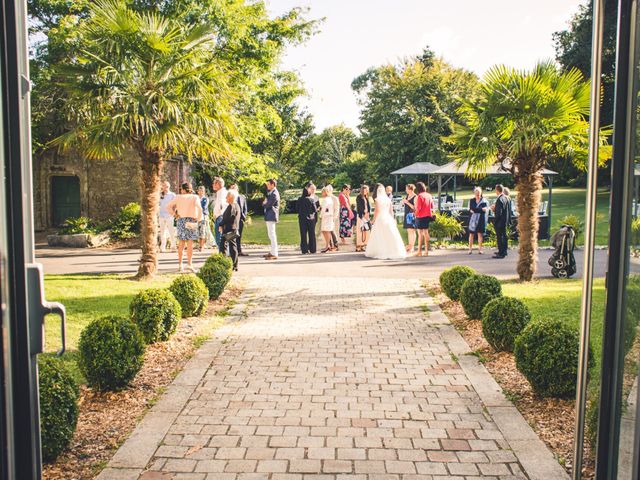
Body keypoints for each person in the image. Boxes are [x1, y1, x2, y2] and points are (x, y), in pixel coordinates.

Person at [165, 182, 203, 273]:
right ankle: (189, 264)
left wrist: (174, 215)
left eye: (181, 189)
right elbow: (200, 208)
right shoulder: (195, 197)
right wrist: (198, 218)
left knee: (181, 243)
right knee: (190, 243)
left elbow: (168, 207)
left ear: (183, 189)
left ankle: (180, 264)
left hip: (181, 220)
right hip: (192, 220)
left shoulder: (178, 197)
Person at [365, 184, 407, 260]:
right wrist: (393, 219)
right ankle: (393, 250)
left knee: (379, 234)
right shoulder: (388, 199)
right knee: (390, 234)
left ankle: (380, 251)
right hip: (387, 218)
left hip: (380, 218)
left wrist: (373, 220)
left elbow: (377, 211)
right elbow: (391, 211)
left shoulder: (377, 199)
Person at [219, 189, 241, 271]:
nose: (226, 198)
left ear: (231, 197)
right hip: (233, 228)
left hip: (230, 229)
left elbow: (227, 218)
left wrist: (220, 224)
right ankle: (234, 265)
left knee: (224, 246)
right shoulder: (236, 205)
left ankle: (225, 264)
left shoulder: (232, 206)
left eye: (227, 196)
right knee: (232, 246)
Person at [297, 183, 318, 254]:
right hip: (311, 219)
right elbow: (315, 210)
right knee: (312, 234)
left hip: (302, 219)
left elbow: (296, 208)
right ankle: (312, 249)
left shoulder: (299, 199)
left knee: (303, 235)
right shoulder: (311, 200)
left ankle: (304, 249)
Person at [414, 182, 434, 257]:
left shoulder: (419, 196)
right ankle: (426, 251)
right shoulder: (429, 195)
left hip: (420, 216)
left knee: (420, 234)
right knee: (426, 233)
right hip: (428, 215)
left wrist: (415, 214)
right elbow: (431, 206)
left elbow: (418, 208)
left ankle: (419, 251)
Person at [492, 184, 511, 259]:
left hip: (500, 222)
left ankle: (501, 253)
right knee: (504, 236)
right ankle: (504, 251)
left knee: (500, 237)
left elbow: (498, 212)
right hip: (505, 220)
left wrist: (495, 220)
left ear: (497, 190)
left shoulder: (499, 199)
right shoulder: (507, 198)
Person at [229, 184, 248, 256]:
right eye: (232, 188)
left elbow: (245, 207)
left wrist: (244, 216)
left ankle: (239, 251)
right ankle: (233, 251)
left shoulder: (242, 197)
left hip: (241, 219)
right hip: (233, 219)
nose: (233, 189)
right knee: (233, 235)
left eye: (235, 188)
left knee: (239, 235)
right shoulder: (229, 197)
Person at [263, 179, 280, 260]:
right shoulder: (271, 192)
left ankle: (274, 253)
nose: (267, 186)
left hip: (271, 215)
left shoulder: (274, 193)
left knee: (272, 235)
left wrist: (264, 203)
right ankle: (272, 252)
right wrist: (265, 203)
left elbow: (268, 204)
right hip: (270, 215)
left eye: (269, 184)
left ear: (273, 185)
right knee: (270, 234)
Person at [468, 187, 488, 255]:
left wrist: (476, 210)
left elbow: (484, 210)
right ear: (474, 193)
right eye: (476, 194)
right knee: (471, 234)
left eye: (478, 194)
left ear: (481, 193)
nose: (477, 195)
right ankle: (470, 249)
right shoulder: (472, 200)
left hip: (481, 219)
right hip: (473, 220)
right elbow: (471, 209)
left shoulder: (484, 201)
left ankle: (480, 249)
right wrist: (480, 209)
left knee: (480, 234)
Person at [158, 181, 176, 252]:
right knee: (162, 232)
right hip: (161, 216)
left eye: (167, 186)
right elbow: (158, 203)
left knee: (171, 231)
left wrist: (173, 213)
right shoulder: (160, 195)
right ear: (162, 187)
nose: (166, 188)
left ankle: (173, 246)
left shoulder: (172, 195)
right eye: (164, 186)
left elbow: (175, 205)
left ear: (169, 187)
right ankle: (162, 247)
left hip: (169, 216)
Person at [211, 177, 227, 252]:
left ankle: (222, 254)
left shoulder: (222, 192)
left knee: (219, 238)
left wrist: (220, 216)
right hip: (219, 217)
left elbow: (222, 206)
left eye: (214, 183)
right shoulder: (219, 192)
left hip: (221, 217)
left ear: (219, 184)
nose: (213, 185)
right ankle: (222, 253)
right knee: (219, 238)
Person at [401, 184, 417, 253]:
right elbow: (405, 204)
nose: (406, 190)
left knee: (412, 231)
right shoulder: (407, 196)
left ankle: (411, 246)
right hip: (407, 214)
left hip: (411, 215)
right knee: (409, 231)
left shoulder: (415, 197)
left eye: (406, 189)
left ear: (410, 189)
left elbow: (414, 208)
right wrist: (403, 202)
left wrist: (407, 202)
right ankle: (410, 246)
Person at [320, 187, 336, 253]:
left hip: (326, 216)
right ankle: (328, 245)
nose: (321, 193)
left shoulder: (326, 199)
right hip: (329, 216)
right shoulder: (329, 199)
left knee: (326, 230)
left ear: (325, 192)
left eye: (322, 192)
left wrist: (320, 215)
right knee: (326, 231)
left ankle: (328, 245)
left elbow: (324, 209)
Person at [355, 185, 371, 252]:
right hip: (361, 216)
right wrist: (364, 215)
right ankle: (359, 245)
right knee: (360, 230)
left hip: (366, 216)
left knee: (366, 230)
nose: (365, 191)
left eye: (366, 190)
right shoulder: (359, 197)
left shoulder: (366, 197)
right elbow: (360, 207)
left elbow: (368, 207)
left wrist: (368, 214)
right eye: (364, 190)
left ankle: (365, 244)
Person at [325, 185, 340, 251]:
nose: (327, 192)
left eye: (328, 190)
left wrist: (334, 217)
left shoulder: (335, 198)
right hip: (327, 217)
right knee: (327, 231)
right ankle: (329, 245)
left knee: (332, 231)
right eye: (326, 190)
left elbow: (337, 209)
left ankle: (336, 245)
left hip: (333, 217)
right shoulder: (326, 198)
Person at [196, 186, 210, 251]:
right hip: (196, 216)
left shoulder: (205, 199)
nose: (201, 192)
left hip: (203, 216)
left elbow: (204, 207)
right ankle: (199, 245)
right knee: (198, 231)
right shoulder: (196, 198)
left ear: (204, 192)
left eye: (202, 191)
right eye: (199, 190)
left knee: (203, 231)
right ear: (198, 191)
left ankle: (202, 246)